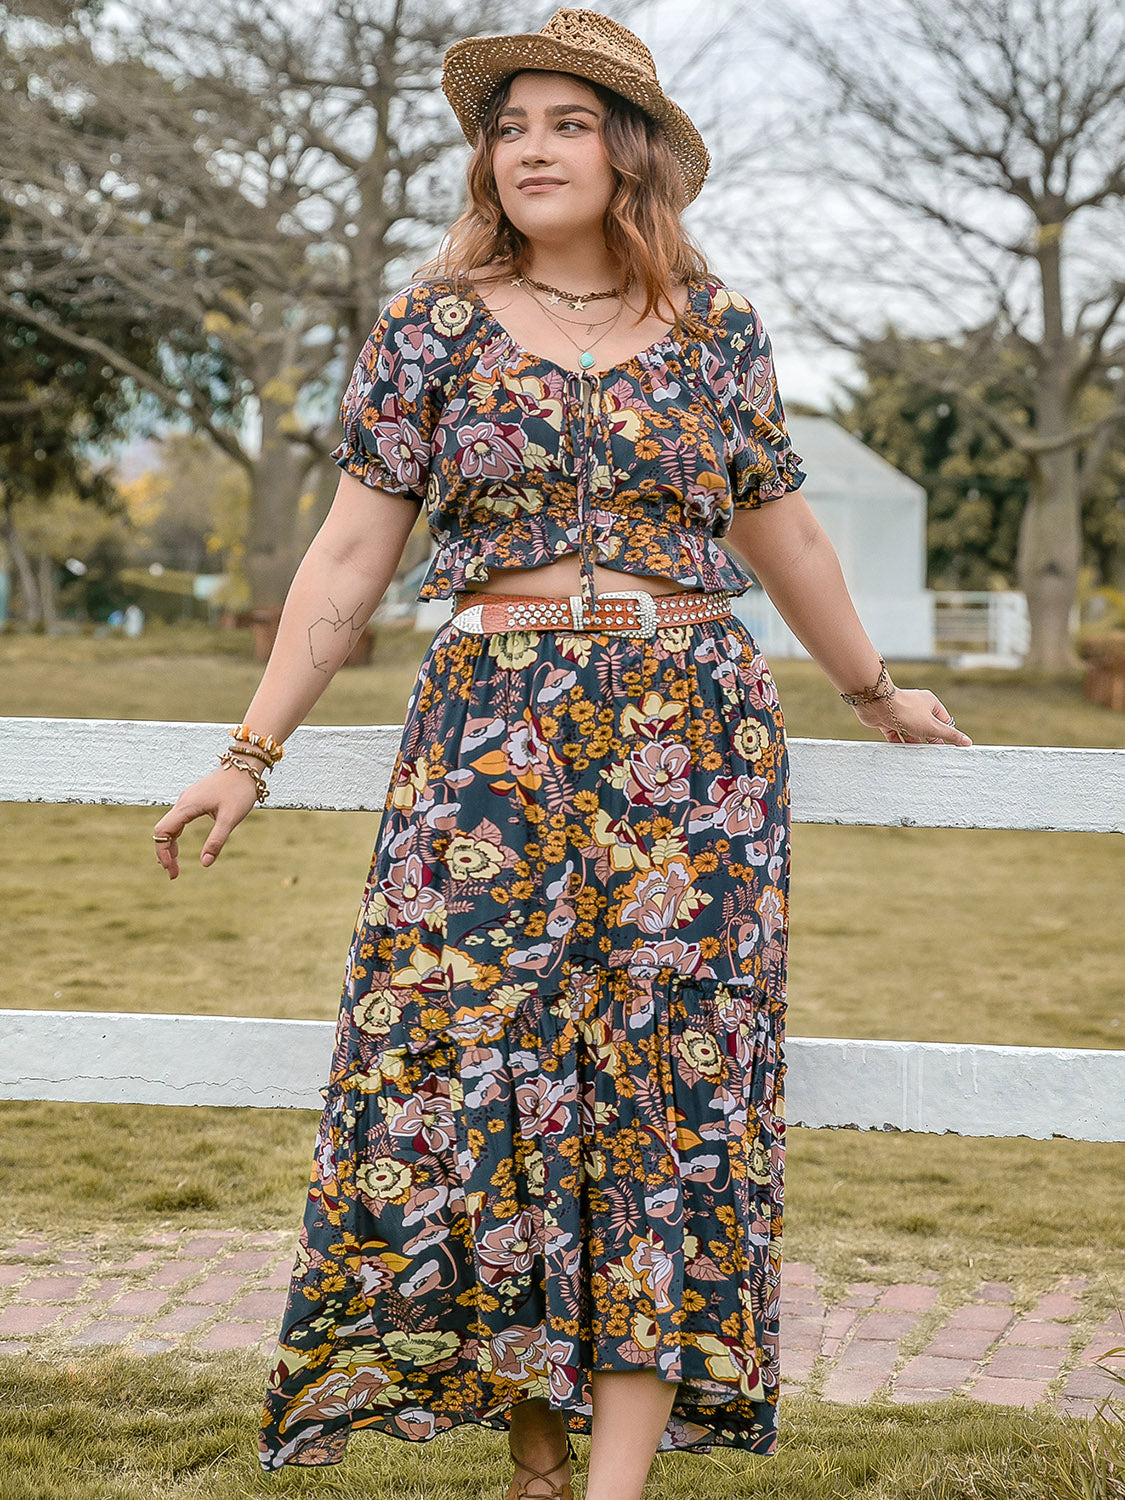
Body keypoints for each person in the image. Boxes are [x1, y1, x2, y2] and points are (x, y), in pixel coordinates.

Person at [152, 9, 972, 1499]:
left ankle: (610, 1486)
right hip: (489, 740)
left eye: (567, 122)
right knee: (479, 1073)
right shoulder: (430, 327)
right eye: (510, 124)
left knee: (671, 1091)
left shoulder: (718, 331)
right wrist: (249, 749)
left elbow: (776, 523)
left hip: (691, 741)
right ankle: (533, 1458)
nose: (530, 146)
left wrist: (871, 687)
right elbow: (347, 553)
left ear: (629, 152)